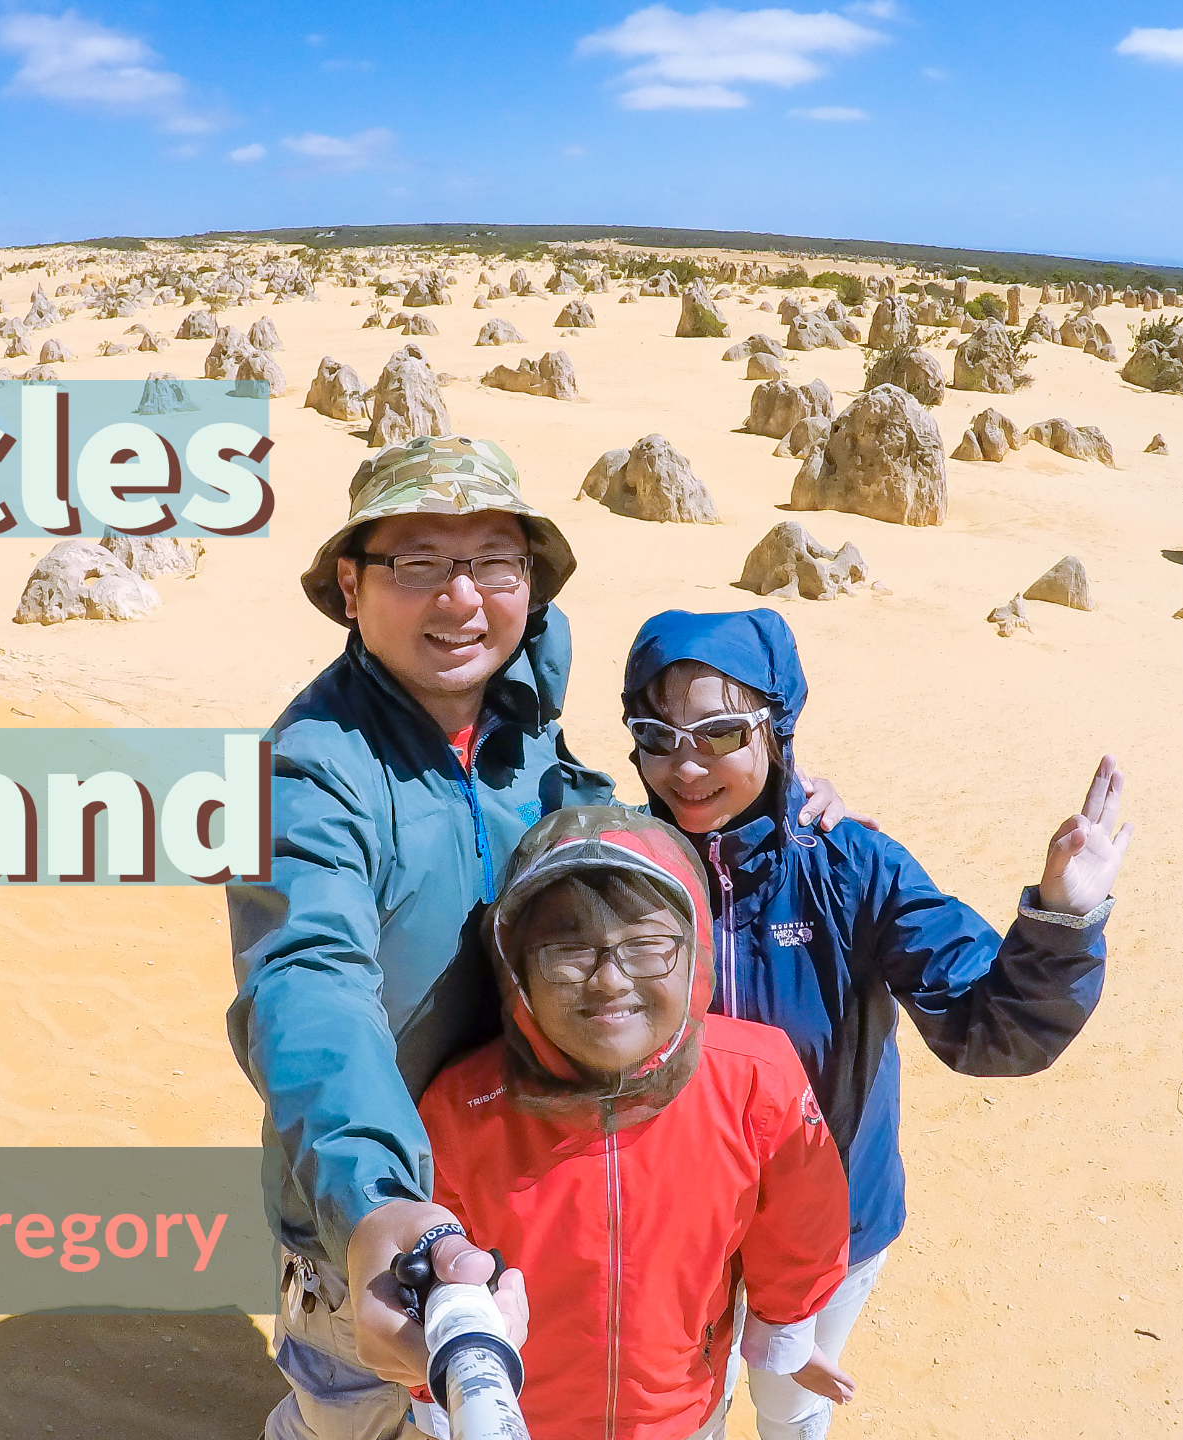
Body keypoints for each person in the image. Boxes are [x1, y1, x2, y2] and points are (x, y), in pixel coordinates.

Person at [226, 437, 860, 1440]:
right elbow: (309, 983)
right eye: (417, 564)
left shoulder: (521, 725)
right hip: (377, 1205)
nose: (460, 600)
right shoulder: (307, 776)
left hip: (537, 1171)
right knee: (352, 1404)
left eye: (492, 562)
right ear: (350, 585)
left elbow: (606, 852)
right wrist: (379, 1207)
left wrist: (769, 805)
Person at [616, 608, 1130, 1440]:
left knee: (790, 1401)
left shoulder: (851, 865)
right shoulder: (620, 869)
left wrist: (1061, 924)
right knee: (681, 1408)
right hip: (674, 1221)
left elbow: (987, 1025)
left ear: (777, 730)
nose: (686, 764)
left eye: (719, 731)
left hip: (834, 1220)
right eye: (657, 734)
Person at [416, 804, 855, 1440]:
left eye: (648, 945)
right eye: (568, 950)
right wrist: (440, 1393)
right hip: (519, 1421)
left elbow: (801, 1223)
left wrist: (785, 1325)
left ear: (696, 949)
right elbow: (430, 1275)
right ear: (516, 969)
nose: (609, 980)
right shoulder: (464, 1106)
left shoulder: (753, 1076)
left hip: (679, 1414)